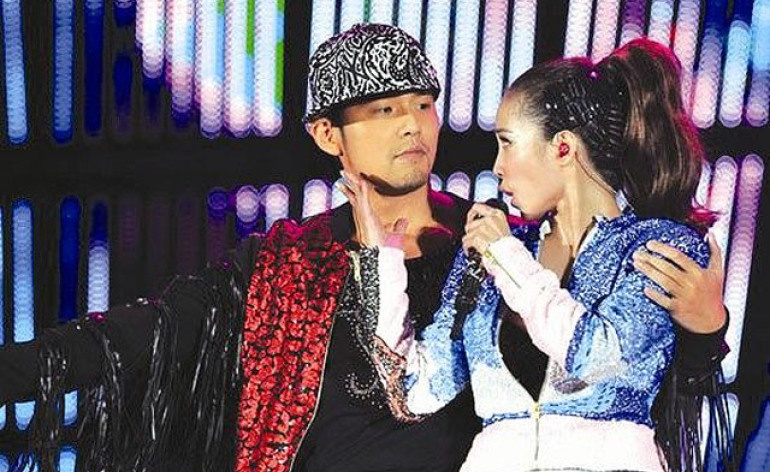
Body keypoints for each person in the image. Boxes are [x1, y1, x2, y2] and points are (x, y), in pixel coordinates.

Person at [0, 25, 727, 472]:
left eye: (422, 104)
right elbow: (143, 334)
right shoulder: (284, 263)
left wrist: (705, 332)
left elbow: (622, 370)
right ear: (328, 135)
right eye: (383, 110)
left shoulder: (487, 244)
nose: (412, 125)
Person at [359, 37, 732, 471]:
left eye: (507, 143)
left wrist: (507, 259)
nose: (497, 167)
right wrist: (383, 259)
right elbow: (415, 392)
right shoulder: (491, 253)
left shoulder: (657, 247)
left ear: (563, 147)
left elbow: (599, 360)